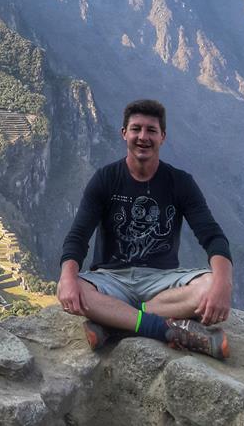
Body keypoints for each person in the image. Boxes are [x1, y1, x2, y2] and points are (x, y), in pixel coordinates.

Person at [56, 99, 233, 360]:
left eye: (151, 130)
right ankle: (161, 328)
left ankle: (114, 322)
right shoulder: (106, 179)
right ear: (124, 133)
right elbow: (78, 237)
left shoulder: (180, 182)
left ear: (162, 137)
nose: (143, 137)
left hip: (162, 282)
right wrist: (68, 278)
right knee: (70, 286)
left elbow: (212, 236)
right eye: (136, 129)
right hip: (111, 278)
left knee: (209, 284)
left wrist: (223, 283)